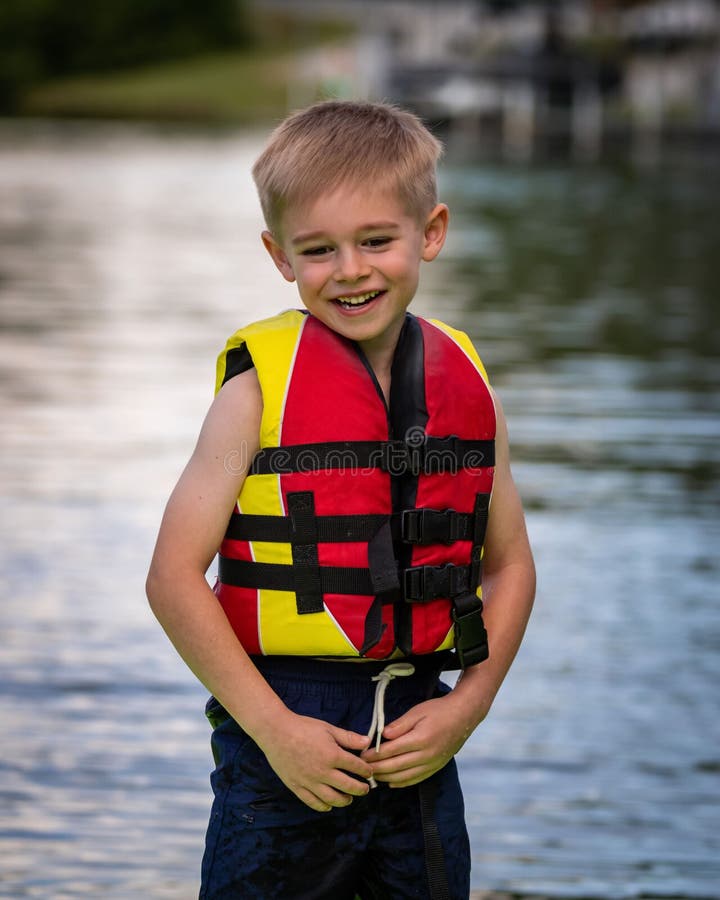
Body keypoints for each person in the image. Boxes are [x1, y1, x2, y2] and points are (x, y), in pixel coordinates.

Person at [146, 99, 535, 900]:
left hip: (423, 738)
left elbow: (512, 564)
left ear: (430, 232)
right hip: (284, 736)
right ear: (279, 256)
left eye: (376, 241)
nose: (350, 270)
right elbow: (173, 577)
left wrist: (471, 704)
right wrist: (275, 730)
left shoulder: (465, 380)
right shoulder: (255, 395)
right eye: (318, 250)